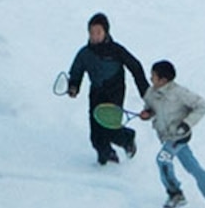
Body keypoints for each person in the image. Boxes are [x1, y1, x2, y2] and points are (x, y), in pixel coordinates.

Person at [139, 60, 205, 208]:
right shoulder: (151, 93)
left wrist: (187, 124)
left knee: (163, 160)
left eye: (153, 76)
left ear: (164, 80)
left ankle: (175, 194)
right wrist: (147, 113)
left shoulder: (179, 93)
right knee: (192, 166)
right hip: (167, 136)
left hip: (179, 137)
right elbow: (151, 108)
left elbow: (202, 105)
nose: (150, 78)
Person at [62, 13, 148, 163]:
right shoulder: (84, 53)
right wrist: (74, 86)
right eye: (91, 33)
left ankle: (127, 138)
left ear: (106, 32)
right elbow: (76, 71)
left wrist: (145, 92)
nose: (94, 36)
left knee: (110, 129)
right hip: (96, 94)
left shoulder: (116, 50)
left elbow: (135, 67)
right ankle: (107, 156)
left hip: (114, 93)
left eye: (98, 32)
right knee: (96, 136)